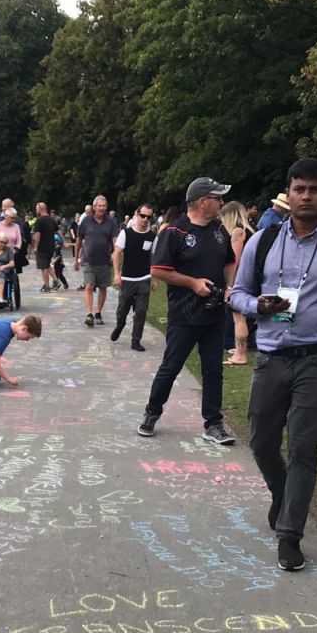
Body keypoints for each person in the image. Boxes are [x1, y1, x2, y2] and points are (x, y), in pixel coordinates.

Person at [230, 158, 317, 572]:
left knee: (304, 446)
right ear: (288, 194)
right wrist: (258, 305)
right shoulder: (264, 241)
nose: (307, 197)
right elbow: (236, 293)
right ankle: (282, 493)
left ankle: (290, 535)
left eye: (315, 190)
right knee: (262, 442)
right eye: (299, 189)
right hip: (271, 357)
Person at [138, 178, 238, 445]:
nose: (221, 203)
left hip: (215, 314)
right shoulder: (175, 232)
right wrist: (193, 283)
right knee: (170, 367)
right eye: (217, 198)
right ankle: (152, 412)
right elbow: (158, 270)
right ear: (203, 201)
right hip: (185, 315)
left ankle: (213, 423)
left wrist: (229, 286)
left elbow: (230, 260)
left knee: (213, 370)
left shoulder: (219, 230)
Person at [111, 204, 156, 351]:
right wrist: (117, 273)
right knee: (122, 311)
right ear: (137, 215)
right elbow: (117, 253)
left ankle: (136, 340)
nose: (145, 219)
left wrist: (154, 279)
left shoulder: (152, 236)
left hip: (144, 278)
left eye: (148, 217)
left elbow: (154, 258)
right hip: (128, 279)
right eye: (142, 216)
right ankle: (120, 325)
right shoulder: (126, 233)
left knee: (141, 311)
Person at [219, 200, 254, 366]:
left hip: (241, 279)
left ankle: (240, 353)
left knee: (238, 318)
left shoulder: (238, 232)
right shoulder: (250, 231)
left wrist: (230, 285)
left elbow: (234, 260)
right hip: (251, 278)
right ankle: (240, 349)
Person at [75, 196, 118, 326]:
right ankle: (89, 314)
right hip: (88, 260)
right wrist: (76, 259)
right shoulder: (86, 221)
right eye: (99, 206)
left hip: (104, 260)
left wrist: (115, 253)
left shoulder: (111, 223)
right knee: (89, 286)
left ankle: (98, 312)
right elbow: (78, 241)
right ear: (94, 207)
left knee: (102, 287)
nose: (102, 208)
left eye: (104, 206)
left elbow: (116, 242)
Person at [31, 203, 58, 292]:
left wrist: (35, 247)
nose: (36, 211)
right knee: (47, 264)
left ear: (41, 208)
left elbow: (38, 234)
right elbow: (57, 232)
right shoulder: (52, 220)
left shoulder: (39, 220)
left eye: (36, 209)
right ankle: (55, 280)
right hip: (51, 247)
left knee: (44, 267)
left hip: (42, 247)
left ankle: (47, 287)